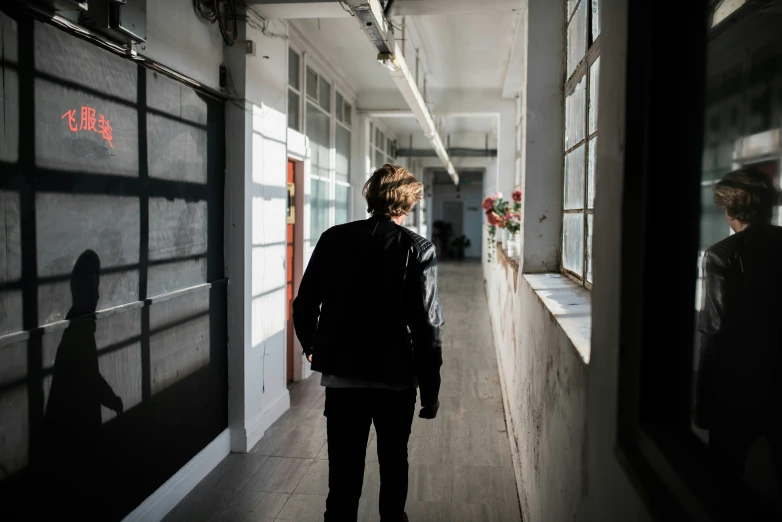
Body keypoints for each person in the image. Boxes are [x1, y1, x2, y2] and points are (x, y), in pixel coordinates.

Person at [293, 164, 444, 522]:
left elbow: (304, 304)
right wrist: (431, 390)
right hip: (396, 378)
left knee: (343, 470)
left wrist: (312, 346)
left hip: (343, 378)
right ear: (407, 203)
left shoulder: (333, 238)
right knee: (394, 461)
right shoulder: (417, 248)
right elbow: (427, 326)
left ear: (370, 195)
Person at [695, 167, 782, 518]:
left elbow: (714, 331)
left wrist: (703, 403)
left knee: (723, 485)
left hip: (736, 390)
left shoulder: (721, 255)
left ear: (731, 210)